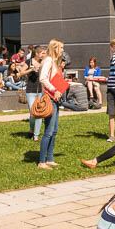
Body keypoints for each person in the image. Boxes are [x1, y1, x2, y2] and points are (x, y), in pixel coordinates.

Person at [38, 38, 67, 169]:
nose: (62, 50)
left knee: (54, 130)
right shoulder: (49, 60)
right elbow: (42, 78)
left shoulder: (55, 62)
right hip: (50, 97)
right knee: (48, 131)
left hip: (55, 98)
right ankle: (41, 162)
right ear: (55, 48)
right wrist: (54, 90)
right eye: (61, 48)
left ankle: (49, 158)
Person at [24, 52, 44, 142]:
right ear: (37, 53)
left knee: (38, 113)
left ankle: (36, 136)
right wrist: (31, 70)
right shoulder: (28, 62)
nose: (44, 54)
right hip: (30, 91)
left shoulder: (43, 62)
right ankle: (31, 130)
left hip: (39, 90)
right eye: (42, 53)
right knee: (32, 113)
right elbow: (21, 73)